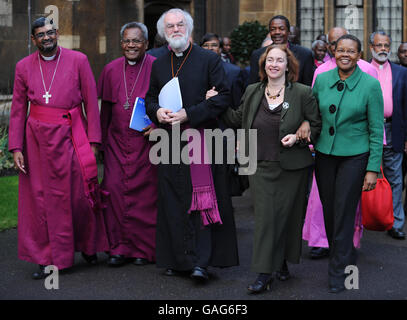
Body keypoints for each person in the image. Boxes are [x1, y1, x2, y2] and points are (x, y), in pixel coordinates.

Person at [8, 17, 109, 279]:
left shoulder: (79, 60)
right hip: (36, 141)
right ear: (33, 40)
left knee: (80, 195)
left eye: (50, 32)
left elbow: (90, 100)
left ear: (57, 34)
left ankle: (87, 245)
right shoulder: (23, 67)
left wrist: (94, 141)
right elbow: (18, 110)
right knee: (40, 200)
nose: (46, 37)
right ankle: (46, 257)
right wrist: (16, 147)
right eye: (40, 34)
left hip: (72, 134)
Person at [145, 8, 239, 282]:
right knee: (173, 200)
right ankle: (178, 259)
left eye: (180, 24)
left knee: (202, 201)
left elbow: (223, 97)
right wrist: (157, 112)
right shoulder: (158, 63)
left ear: (189, 28)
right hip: (169, 141)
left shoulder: (208, 59)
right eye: (170, 26)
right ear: (164, 32)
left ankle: (201, 261)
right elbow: (150, 98)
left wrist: (190, 113)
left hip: (202, 139)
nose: (175, 29)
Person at [222, 44, 321, 294]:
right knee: (266, 219)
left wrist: (301, 133)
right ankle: (264, 273)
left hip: (293, 167)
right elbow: (236, 118)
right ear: (263, 65)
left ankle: (283, 262)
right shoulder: (253, 90)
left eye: (279, 60)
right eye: (270, 60)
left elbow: (316, 125)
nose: (274, 64)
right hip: (259, 165)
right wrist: (217, 103)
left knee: (288, 217)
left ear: (289, 66)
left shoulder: (302, 92)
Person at [313, 34, 383, 293]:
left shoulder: (370, 85)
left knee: (343, 212)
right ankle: (344, 253)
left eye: (351, 51)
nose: (345, 54)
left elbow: (376, 130)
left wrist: (372, 169)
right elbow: (312, 114)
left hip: (355, 156)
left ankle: (338, 273)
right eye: (340, 49)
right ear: (333, 51)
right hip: (324, 155)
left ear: (359, 55)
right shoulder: (321, 80)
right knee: (330, 212)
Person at [97, 22, 158, 267]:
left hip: (146, 145)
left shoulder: (157, 67)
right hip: (116, 144)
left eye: (136, 41)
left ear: (146, 44)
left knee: (145, 197)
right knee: (113, 193)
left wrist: (156, 127)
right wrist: (99, 144)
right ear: (121, 43)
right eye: (126, 41)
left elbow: (169, 104)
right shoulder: (111, 69)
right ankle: (118, 248)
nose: (131, 45)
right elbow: (104, 113)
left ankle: (143, 249)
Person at [370, 31, 407, 240]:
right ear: (371, 47)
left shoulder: (401, 72)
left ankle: (395, 223)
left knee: (395, 179)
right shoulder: (361, 69)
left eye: (386, 45)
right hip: (367, 131)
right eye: (379, 45)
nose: (383, 49)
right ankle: (362, 220)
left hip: (393, 130)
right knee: (362, 176)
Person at [248, 15, 314, 86]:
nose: (277, 32)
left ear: (288, 32)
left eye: (281, 29)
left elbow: (307, 86)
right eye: (273, 29)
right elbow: (254, 85)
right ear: (270, 32)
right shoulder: (258, 55)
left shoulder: (304, 54)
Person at [200, 33, 244, 110]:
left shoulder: (234, 72)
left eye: (214, 45)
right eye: (206, 45)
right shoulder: (195, 70)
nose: (210, 48)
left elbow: (237, 103)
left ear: (220, 49)